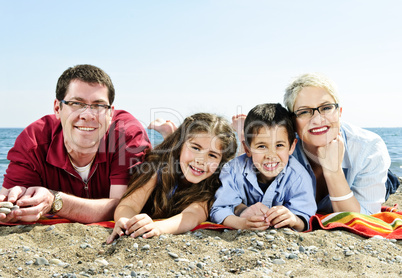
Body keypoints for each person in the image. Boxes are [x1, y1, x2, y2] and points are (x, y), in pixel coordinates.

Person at [0, 64, 151, 223]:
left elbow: (123, 207)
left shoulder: (127, 135)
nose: (87, 115)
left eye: (98, 105)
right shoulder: (34, 141)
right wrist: (14, 206)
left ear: (110, 113)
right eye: (76, 103)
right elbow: (7, 210)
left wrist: (54, 201)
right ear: (57, 108)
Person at [106, 113, 237, 243]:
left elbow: (192, 215)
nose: (201, 160)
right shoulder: (157, 167)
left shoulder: (213, 183)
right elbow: (129, 205)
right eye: (196, 148)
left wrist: (157, 228)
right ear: (180, 145)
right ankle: (165, 132)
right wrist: (126, 221)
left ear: (221, 161)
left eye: (212, 155)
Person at [283, 73, 398, 215]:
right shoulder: (282, 148)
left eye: (326, 108)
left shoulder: (369, 147)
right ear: (292, 121)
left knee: (388, 183)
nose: (318, 120)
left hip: (360, 178)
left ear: (339, 112)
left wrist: (333, 171)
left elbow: (364, 217)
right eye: (305, 111)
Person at [210, 103, 316, 232]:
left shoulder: (298, 176)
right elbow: (219, 209)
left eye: (279, 145)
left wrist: (294, 219)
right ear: (247, 149)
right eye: (261, 146)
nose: (271, 155)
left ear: (292, 147)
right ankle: (239, 133)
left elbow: (306, 217)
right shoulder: (232, 170)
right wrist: (241, 223)